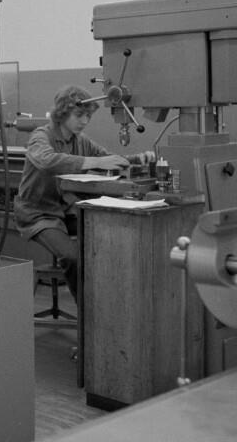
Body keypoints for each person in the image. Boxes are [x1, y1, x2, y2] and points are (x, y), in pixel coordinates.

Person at [13, 84, 155, 298]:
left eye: (88, 116)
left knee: (110, 235)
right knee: (73, 258)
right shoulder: (41, 136)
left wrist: (138, 159)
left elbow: (108, 159)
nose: (85, 121)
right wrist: (94, 162)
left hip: (65, 211)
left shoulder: (81, 141)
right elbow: (47, 160)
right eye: (79, 115)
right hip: (37, 213)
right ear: (63, 112)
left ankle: (108, 301)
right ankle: (87, 312)